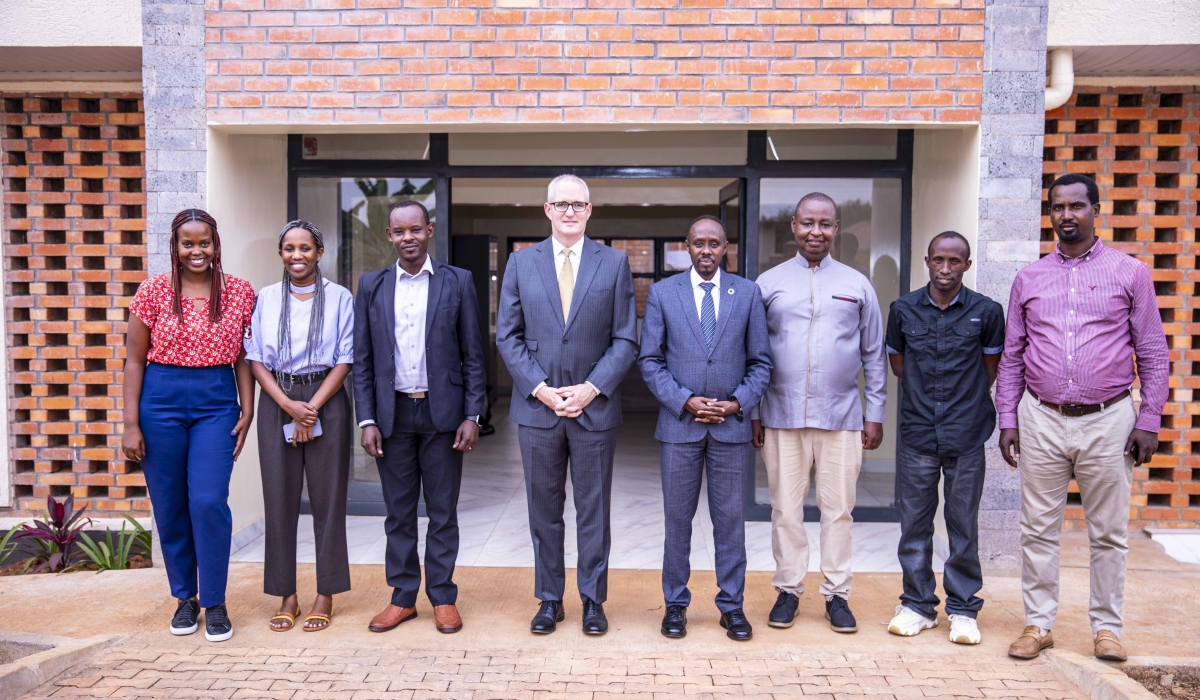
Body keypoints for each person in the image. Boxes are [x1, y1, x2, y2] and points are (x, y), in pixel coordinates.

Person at [997, 174, 1168, 662]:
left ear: (1097, 209)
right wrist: (1008, 417)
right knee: (1036, 528)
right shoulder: (1029, 278)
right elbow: (1013, 354)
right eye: (1057, 207)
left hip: (1108, 418)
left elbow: (1153, 351)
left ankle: (1107, 629)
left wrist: (1149, 418)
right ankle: (1038, 623)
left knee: (1109, 532)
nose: (1066, 215)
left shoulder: (1129, 272)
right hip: (1041, 418)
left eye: (1076, 206)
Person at [496, 174, 638, 635]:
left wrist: (591, 388)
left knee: (594, 511)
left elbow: (625, 339)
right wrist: (539, 388)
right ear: (547, 210)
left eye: (578, 204)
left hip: (593, 410)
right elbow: (508, 336)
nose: (570, 211)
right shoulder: (521, 263)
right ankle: (550, 599)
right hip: (538, 410)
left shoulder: (614, 264)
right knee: (544, 509)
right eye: (561, 204)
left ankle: (593, 601)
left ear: (590, 210)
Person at [752, 192, 886, 634]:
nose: (816, 232)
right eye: (807, 223)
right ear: (793, 225)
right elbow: (752, 355)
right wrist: (753, 412)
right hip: (780, 416)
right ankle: (789, 590)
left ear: (835, 227)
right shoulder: (767, 284)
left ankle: (837, 595)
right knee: (786, 511)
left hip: (842, 417)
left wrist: (875, 413)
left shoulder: (857, 284)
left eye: (825, 224)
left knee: (838, 511)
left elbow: (873, 355)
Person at [121, 209, 256, 643]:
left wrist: (247, 408)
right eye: (188, 243)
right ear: (175, 247)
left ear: (216, 244)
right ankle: (185, 598)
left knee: (208, 500)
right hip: (159, 400)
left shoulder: (238, 292)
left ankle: (214, 602)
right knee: (170, 504)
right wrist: (129, 423)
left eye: (205, 243)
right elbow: (134, 360)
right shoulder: (153, 292)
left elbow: (243, 357)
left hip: (216, 402)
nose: (197, 251)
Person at [353, 200, 486, 635]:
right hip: (392, 416)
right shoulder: (371, 286)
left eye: (415, 229)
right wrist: (367, 418)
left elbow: (472, 353)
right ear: (390, 236)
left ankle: (444, 598)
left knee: (443, 512)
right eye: (399, 231)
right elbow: (364, 360)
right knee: (399, 514)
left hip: (443, 413)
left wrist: (473, 413)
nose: (407, 237)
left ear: (429, 230)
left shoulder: (458, 282)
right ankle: (403, 598)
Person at [638, 215, 772, 641]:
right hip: (680, 427)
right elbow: (650, 360)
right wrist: (684, 399)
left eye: (715, 243)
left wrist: (737, 404)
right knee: (677, 521)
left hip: (730, 429)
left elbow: (761, 362)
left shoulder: (748, 293)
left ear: (726, 247)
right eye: (699, 243)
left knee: (729, 522)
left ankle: (732, 607)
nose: (707, 250)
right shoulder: (663, 293)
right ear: (687, 246)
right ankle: (675, 606)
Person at [884, 231, 1005, 645]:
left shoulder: (987, 312)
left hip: (967, 432)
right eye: (939, 260)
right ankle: (917, 606)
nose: (946, 268)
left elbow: (990, 370)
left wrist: (961, 404)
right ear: (927, 261)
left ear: (967, 265)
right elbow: (899, 365)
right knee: (914, 524)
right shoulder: (902, 310)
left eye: (956, 261)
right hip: (918, 431)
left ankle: (963, 609)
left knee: (962, 525)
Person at [245, 221, 354, 633]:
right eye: (289, 248)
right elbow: (254, 356)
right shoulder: (266, 299)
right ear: (280, 254)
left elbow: (345, 357)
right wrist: (290, 406)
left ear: (319, 253)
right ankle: (286, 594)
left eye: (305, 248)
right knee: (279, 501)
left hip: (326, 398)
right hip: (278, 399)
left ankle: (325, 592)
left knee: (328, 502)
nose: (297, 255)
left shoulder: (341, 299)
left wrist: (311, 409)